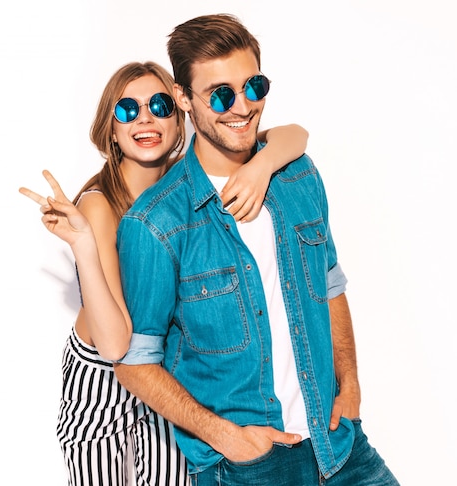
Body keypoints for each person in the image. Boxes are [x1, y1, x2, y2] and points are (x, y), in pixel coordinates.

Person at [113, 14, 400, 486]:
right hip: (250, 467)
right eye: (221, 94)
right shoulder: (156, 222)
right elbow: (136, 362)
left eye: (254, 87)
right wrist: (226, 438)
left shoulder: (298, 176)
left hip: (339, 446)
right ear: (184, 99)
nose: (242, 106)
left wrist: (349, 389)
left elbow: (330, 285)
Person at [20, 60, 309, 485]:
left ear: (181, 117)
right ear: (111, 129)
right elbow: (117, 346)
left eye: (159, 105)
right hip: (101, 379)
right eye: (127, 110)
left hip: (164, 376)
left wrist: (260, 167)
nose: (145, 118)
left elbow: (294, 136)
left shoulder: (185, 186)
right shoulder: (99, 207)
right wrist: (83, 244)